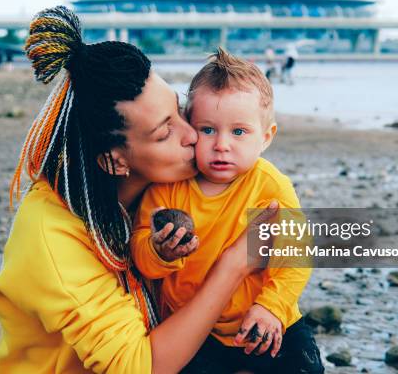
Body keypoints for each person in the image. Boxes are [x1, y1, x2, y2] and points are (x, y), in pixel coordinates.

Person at [0, 6, 278, 373]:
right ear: (114, 162)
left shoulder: (162, 187)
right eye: (164, 132)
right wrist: (235, 264)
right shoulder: (51, 237)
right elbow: (140, 367)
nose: (191, 136)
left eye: (180, 111)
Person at [131, 48, 323, 374]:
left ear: (265, 137)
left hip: (265, 320)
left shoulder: (270, 186)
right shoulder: (168, 187)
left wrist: (272, 307)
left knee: (303, 366)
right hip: (194, 328)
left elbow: (295, 256)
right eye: (207, 130)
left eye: (238, 132)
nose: (222, 144)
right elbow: (140, 250)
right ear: (189, 127)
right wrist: (159, 251)